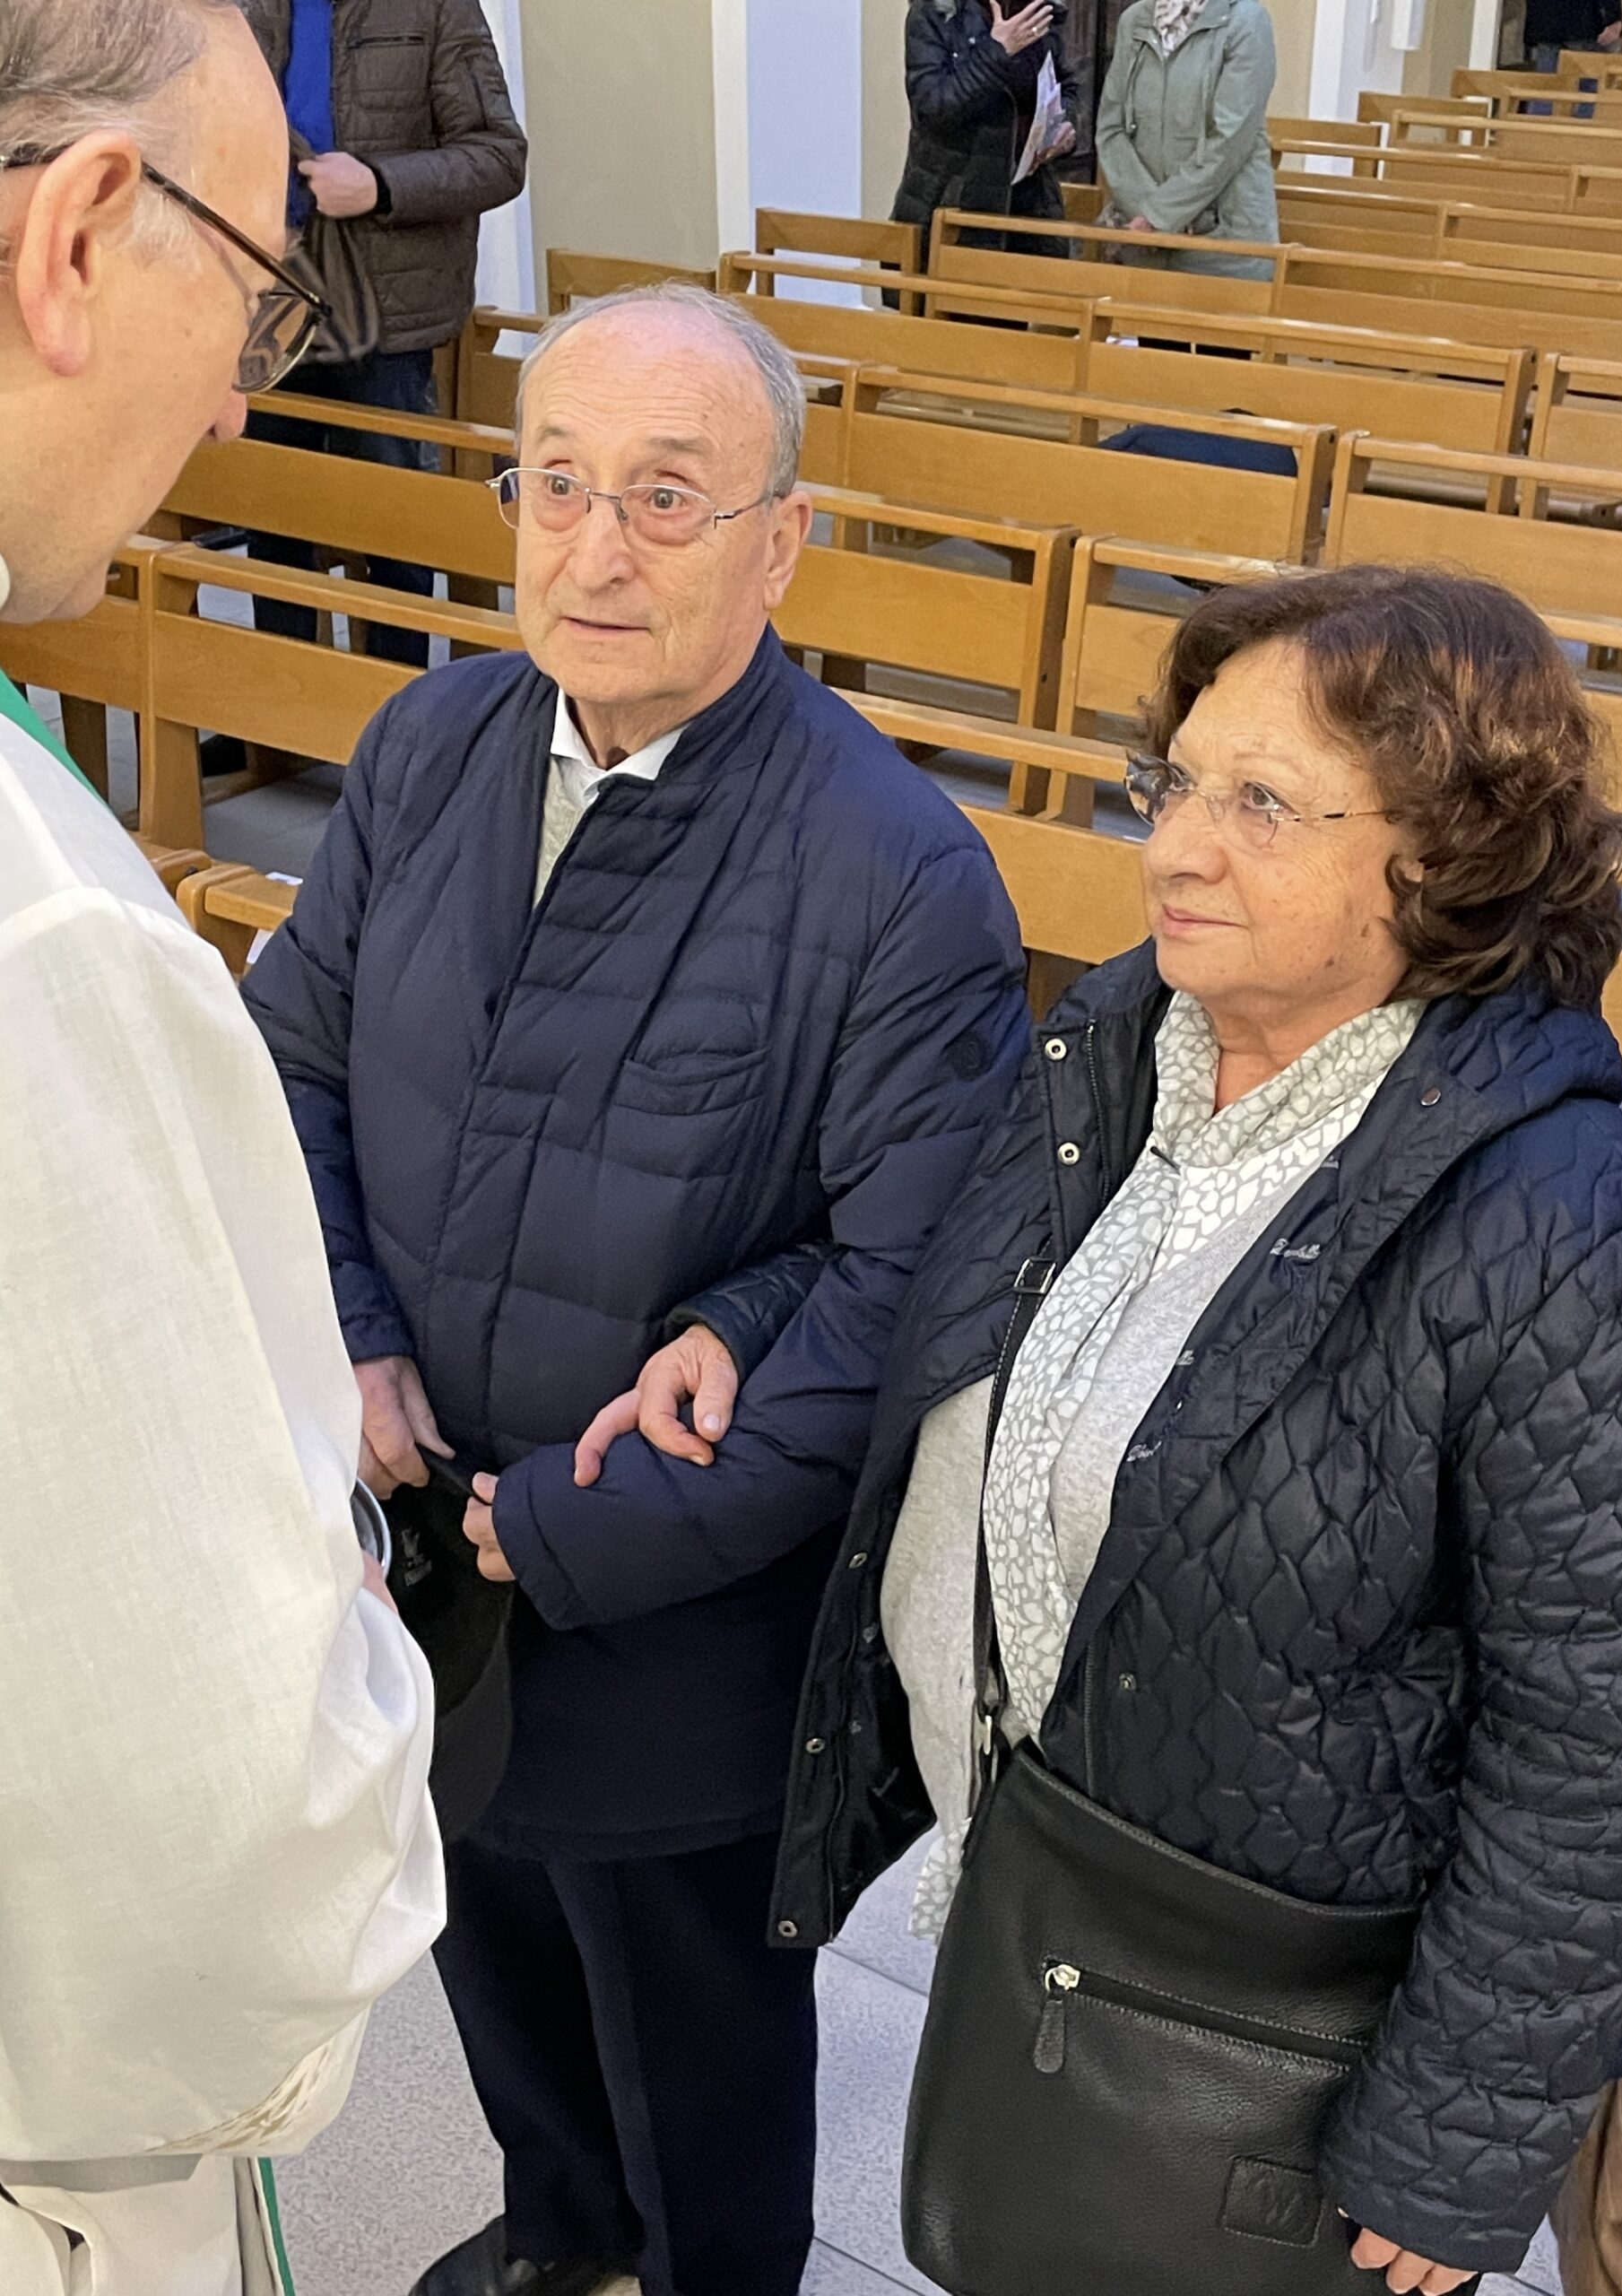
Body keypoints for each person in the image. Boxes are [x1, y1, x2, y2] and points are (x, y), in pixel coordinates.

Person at [598, 566, 1622, 2293]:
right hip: (1050, 1907)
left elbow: (1596, 1751)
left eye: (1260, 803)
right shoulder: (1121, 1053)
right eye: (1175, 782)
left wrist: (1458, 2140)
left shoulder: (1579, 1233)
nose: (1175, 847)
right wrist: (742, 1327)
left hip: (1260, 2017)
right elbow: (950, 1267)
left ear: (1451, 857)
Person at [241, 283, 1028, 2296]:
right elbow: (295, 1065)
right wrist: (352, 1335)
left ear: (782, 539)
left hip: (676, 1602)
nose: (596, 549)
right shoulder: (431, 743)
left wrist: (593, 1519)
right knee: (490, 1941)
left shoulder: (895, 870)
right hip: (423, 1540)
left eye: (667, 496)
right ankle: (563, 2230)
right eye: (558, 484)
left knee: (693, 2039)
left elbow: (906, 1284)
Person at [0, 4, 444, 2293]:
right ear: (78, 233)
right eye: (253, 298)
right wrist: (343, 1637)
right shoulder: (45, 939)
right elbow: (214, 1867)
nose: (239, 406)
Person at [237, 0, 526, 668]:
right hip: (266, 299)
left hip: (389, 318)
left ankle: (400, 700)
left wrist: (380, 184)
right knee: (273, 520)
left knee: (394, 528)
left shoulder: (435, 7)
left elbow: (499, 156)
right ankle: (280, 703)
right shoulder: (242, 8)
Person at [1097, 0, 1279, 282]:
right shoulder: (1134, 20)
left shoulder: (1246, 22)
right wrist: (1146, 213)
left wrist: (1161, 215)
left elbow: (1230, 139)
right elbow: (1111, 128)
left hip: (1221, 245)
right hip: (1140, 240)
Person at [892, 0, 1078, 266]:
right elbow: (932, 108)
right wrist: (997, 52)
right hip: (953, 206)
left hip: (1031, 209)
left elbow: (1068, 86)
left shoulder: (1041, 9)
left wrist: (1064, 125)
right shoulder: (935, 12)